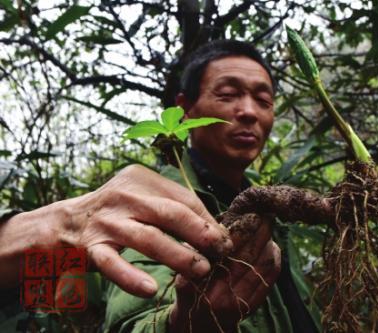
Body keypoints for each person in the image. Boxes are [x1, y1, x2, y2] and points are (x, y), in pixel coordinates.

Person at [0, 40, 320, 332]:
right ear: (184, 110)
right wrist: (187, 323)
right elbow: (131, 320)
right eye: (227, 94)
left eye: (263, 99)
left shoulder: (269, 207)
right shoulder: (150, 205)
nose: (249, 112)